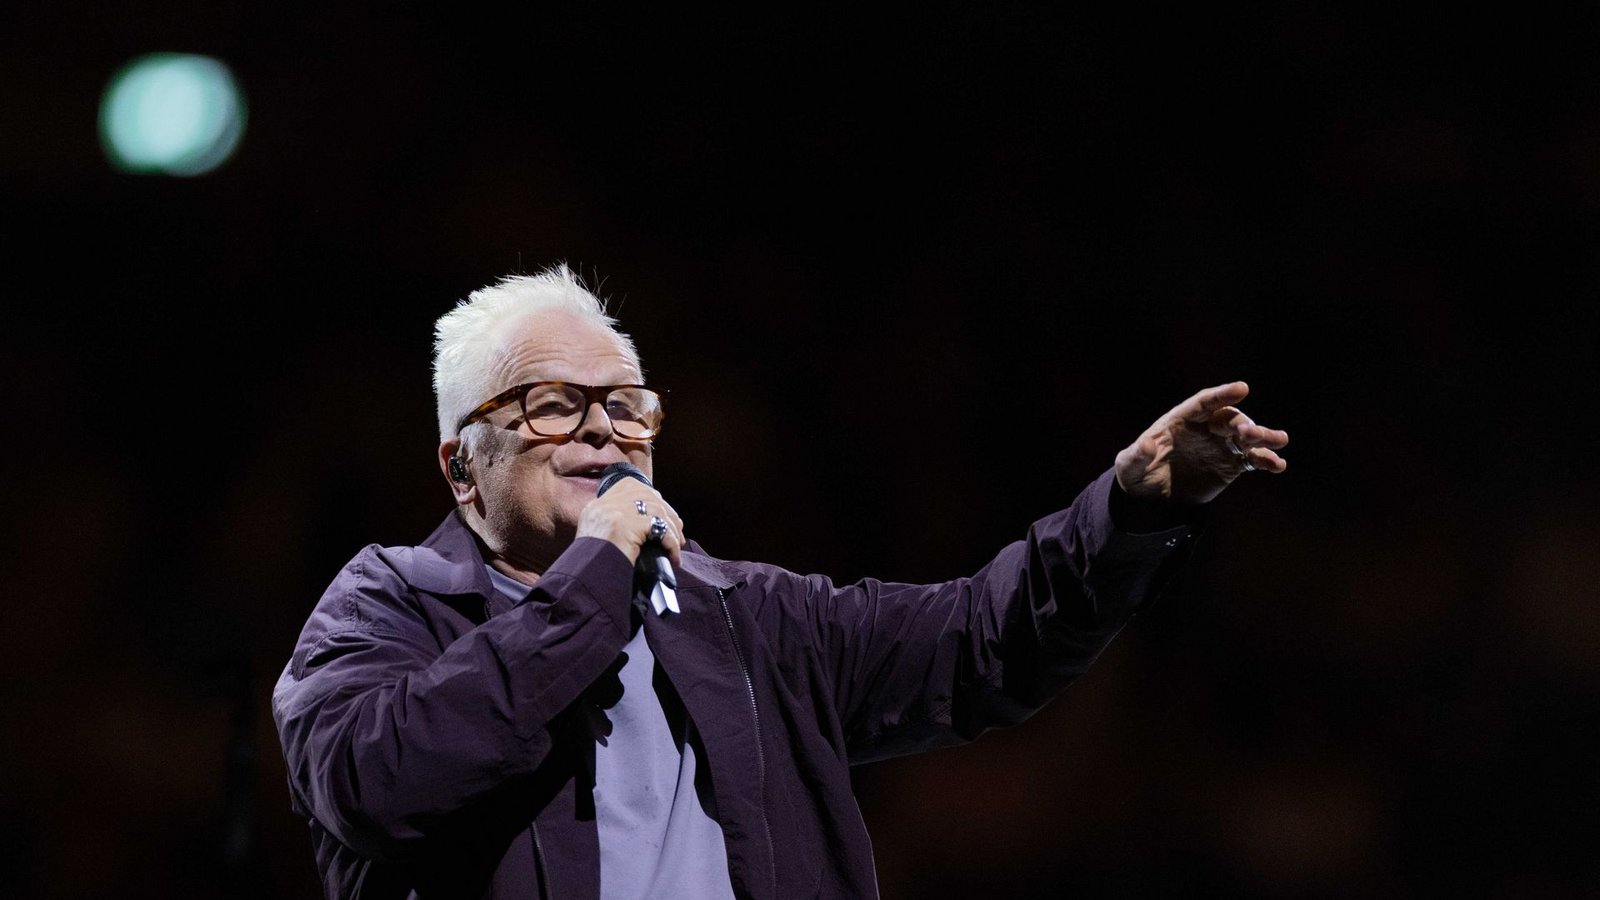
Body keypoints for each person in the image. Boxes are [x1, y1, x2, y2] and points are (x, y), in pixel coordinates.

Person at [271, 264, 1289, 899]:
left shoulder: (749, 620)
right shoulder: (385, 608)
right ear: (461, 465)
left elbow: (987, 642)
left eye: (627, 408)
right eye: (550, 404)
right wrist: (591, 581)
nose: (600, 427)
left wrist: (1133, 510)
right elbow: (379, 784)